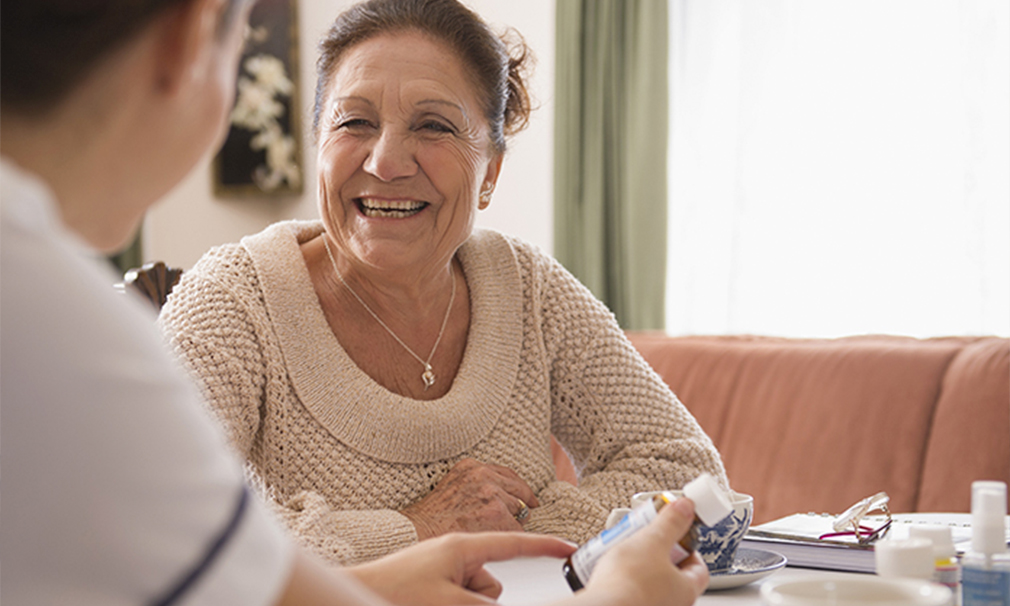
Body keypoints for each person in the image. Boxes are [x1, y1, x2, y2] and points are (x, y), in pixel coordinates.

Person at [0, 0, 711, 604]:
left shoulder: (530, 286)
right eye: (353, 124)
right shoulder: (225, 300)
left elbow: (684, 468)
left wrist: (535, 516)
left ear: (490, 170)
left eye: (433, 126)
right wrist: (416, 527)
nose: (384, 161)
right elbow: (209, 550)